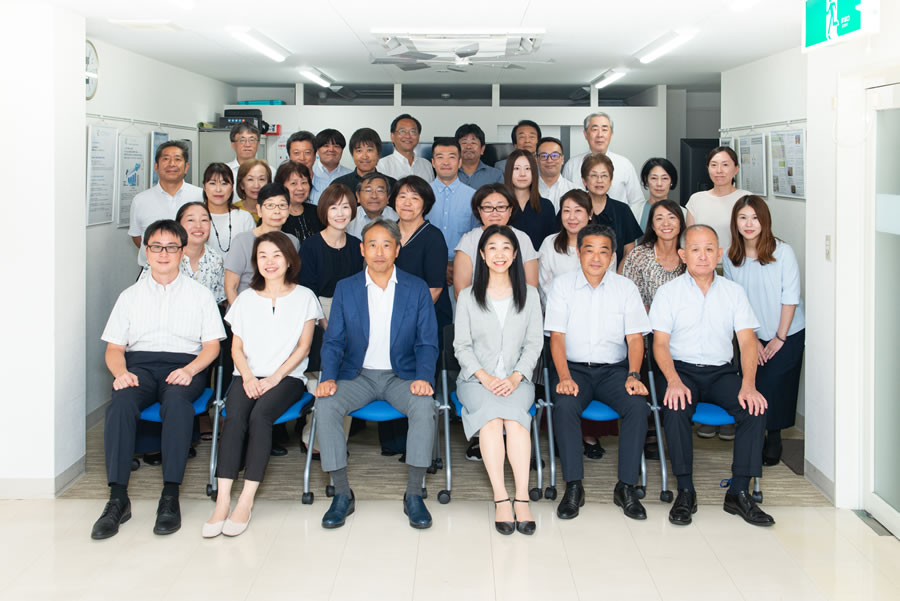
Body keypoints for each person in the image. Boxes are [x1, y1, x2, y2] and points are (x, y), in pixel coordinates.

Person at [91, 219, 225, 540]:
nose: (163, 254)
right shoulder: (129, 296)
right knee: (120, 405)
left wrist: (191, 370)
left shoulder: (200, 295)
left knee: (177, 404)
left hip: (185, 366)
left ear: (182, 252)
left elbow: (211, 347)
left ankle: (170, 496)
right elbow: (114, 349)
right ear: (146, 252)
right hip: (139, 366)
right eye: (156, 247)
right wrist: (121, 373)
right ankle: (118, 499)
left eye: (171, 247)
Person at [315, 219, 439, 530]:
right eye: (372, 244)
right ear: (362, 249)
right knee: (326, 405)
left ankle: (414, 494)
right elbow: (333, 340)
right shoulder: (347, 288)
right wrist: (328, 378)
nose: (379, 252)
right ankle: (342, 494)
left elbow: (427, 342)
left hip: (402, 376)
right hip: (358, 376)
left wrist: (423, 377)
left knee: (424, 406)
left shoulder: (416, 288)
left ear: (397, 249)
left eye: (386, 245)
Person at [650, 224, 773, 527]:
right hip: (681, 370)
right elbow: (660, 344)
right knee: (675, 406)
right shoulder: (668, 293)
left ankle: (739, 492)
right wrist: (673, 380)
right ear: (683, 255)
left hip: (721, 373)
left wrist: (748, 385)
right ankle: (685, 490)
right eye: (695, 249)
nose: (702, 256)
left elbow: (747, 341)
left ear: (719, 254)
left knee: (754, 409)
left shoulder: (734, 292)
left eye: (708, 249)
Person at [204, 232, 322, 538]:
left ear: (289, 261)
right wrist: (247, 377)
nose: (269, 262)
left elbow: (304, 347)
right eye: (262, 256)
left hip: (287, 378)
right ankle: (222, 501)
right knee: (234, 418)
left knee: (260, 417)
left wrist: (274, 378)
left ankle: (245, 501)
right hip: (245, 375)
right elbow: (236, 348)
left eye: (276, 256)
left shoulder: (305, 297)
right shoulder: (245, 299)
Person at [545, 223, 652, 521]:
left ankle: (626, 487)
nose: (595, 257)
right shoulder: (562, 286)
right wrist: (564, 377)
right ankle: (573, 486)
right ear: (579, 253)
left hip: (615, 371)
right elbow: (557, 338)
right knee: (565, 405)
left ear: (612, 255)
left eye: (603, 251)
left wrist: (633, 375)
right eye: (589, 250)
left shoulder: (625, 288)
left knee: (637, 406)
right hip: (573, 369)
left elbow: (635, 339)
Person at [454, 225, 543, 535]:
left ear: (515, 254)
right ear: (482, 254)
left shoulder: (530, 295)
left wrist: (516, 377)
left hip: (519, 379)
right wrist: (485, 377)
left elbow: (534, 344)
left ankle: (522, 497)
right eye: (492, 248)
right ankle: (501, 498)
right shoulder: (468, 297)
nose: (499, 254)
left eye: (506, 247)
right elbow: (461, 346)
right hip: (475, 380)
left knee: (515, 422)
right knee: (492, 421)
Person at [724, 196, 805, 466]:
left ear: (765, 221)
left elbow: (790, 297)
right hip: (751, 335)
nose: (749, 224)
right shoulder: (731, 256)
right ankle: (756, 436)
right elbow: (735, 302)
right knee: (754, 384)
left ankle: (775, 436)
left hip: (787, 332)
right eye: (743, 218)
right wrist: (753, 340)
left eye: (755, 218)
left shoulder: (783, 252)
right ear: (735, 222)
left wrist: (779, 337)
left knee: (777, 386)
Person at [453, 183, 539, 299]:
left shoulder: (523, 239)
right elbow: (461, 292)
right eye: (488, 207)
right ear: (479, 210)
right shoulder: (468, 241)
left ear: (510, 210)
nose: (494, 213)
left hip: (517, 306)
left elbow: (532, 287)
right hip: (477, 307)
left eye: (501, 207)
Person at [128, 140, 202, 267]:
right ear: (156, 166)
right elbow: (137, 237)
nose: (172, 164)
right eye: (166, 159)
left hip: (193, 270)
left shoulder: (201, 196)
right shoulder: (140, 200)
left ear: (186, 167)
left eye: (177, 159)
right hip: (152, 271)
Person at [394, 176, 452, 336]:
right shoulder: (387, 232)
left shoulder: (433, 237)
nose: (407, 203)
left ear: (425, 204)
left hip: (425, 319)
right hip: (391, 316)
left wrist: (405, 319)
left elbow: (434, 289)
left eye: (415, 198)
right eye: (402, 196)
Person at [298, 183, 365, 320]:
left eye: (345, 207)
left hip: (352, 309)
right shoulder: (310, 246)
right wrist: (323, 321)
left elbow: (359, 285)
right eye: (333, 208)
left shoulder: (356, 245)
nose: (340, 214)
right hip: (318, 311)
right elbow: (307, 289)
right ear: (324, 210)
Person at [225, 183, 298, 306]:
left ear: (289, 209)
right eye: (270, 205)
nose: (277, 211)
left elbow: (291, 280)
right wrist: (239, 315)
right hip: (246, 308)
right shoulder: (242, 241)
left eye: (282, 205)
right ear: (259, 210)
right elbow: (230, 286)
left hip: (280, 308)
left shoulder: (292, 241)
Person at [141, 202, 225, 303]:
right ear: (178, 225)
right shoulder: (164, 257)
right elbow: (144, 296)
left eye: (204, 220)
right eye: (191, 220)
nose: (198, 225)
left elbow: (216, 301)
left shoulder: (216, 259)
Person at [562, 112, 645, 207]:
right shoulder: (572, 165)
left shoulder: (625, 164)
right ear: (585, 134)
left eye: (604, 129)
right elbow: (565, 201)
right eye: (595, 129)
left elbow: (637, 203)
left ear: (611, 134)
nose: (600, 135)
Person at [426, 137, 479, 285]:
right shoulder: (421, 195)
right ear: (433, 162)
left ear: (460, 162)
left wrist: (458, 264)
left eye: (451, 157)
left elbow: (477, 236)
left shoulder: (474, 197)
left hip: (464, 268)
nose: (446, 162)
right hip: (426, 267)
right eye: (440, 157)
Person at [582, 153, 642, 272]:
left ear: (611, 180)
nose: (599, 180)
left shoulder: (622, 210)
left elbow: (629, 251)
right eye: (594, 175)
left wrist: (617, 277)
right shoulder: (575, 208)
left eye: (604, 176)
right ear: (584, 181)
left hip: (616, 276)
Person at [622, 199, 687, 310]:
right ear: (652, 225)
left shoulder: (690, 255)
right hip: (646, 319)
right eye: (659, 218)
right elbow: (633, 299)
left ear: (680, 223)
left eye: (672, 217)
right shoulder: (639, 255)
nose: (666, 223)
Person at [685, 146, 751, 252]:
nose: (719, 170)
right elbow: (690, 240)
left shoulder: (747, 199)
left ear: (736, 169)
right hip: (704, 260)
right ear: (708, 168)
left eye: (725, 165)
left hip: (737, 260)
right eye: (714, 165)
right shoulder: (696, 200)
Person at [538, 190, 593, 306]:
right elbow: (544, 285)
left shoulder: (601, 245)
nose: (572, 217)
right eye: (567, 211)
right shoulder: (549, 243)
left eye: (578, 211)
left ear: (590, 214)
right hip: (556, 309)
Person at [506, 149, 557, 251]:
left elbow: (551, 244)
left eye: (527, 168)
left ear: (534, 172)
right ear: (509, 172)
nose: (522, 174)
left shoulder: (546, 206)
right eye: (516, 168)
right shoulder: (500, 207)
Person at [202, 162, 256, 256]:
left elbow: (252, 252)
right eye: (212, 183)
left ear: (232, 188)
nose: (218, 189)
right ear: (204, 187)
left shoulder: (244, 218)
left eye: (224, 183)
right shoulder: (195, 217)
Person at [333, 127, 397, 193]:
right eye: (359, 151)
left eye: (369, 150)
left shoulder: (392, 185)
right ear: (353, 155)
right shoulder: (339, 185)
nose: (364, 156)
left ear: (378, 154)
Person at [274, 161, 323, 244]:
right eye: (293, 183)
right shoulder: (274, 215)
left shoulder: (318, 212)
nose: (300, 188)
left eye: (304, 182)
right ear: (281, 186)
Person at [376, 114, 434, 181]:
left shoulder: (427, 165)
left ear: (418, 136)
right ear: (392, 136)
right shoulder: (381, 165)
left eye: (413, 131)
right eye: (402, 131)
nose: (408, 136)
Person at [636, 157, 685, 231]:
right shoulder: (634, 211)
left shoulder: (683, 213)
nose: (659, 184)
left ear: (671, 181)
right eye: (654, 178)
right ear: (646, 180)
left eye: (665, 178)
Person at [346, 172, 398, 239]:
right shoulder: (348, 219)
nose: (374, 196)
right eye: (368, 190)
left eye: (380, 191)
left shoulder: (398, 219)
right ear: (358, 196)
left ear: (388, 197)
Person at [455, 123, 504, 188]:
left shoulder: (496, 175)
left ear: (482, 149)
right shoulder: (447, 173)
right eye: (464, 142)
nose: (468, 146)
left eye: (473, 143)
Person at [536, 137, 578, 212]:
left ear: (562, 159)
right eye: (544, 156)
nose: (549, 160)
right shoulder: (527, 191)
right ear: (537, 160)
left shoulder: (576, 191)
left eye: (555, 155)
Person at [311, 128, 352, 204]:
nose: (331, 149)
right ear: (317, 150)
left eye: (336, 146)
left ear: (342, 150)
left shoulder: (350, 175)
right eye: (326, 146)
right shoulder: (309, 173)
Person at [227, 122, 261, 203]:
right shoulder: (225, 171)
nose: (247, 144)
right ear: (233, 145)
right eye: (242, 140)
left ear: (258, 144)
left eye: (252, 140)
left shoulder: (270, 171)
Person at [286, 130, 323, 200]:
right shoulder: (281, 187)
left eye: (307, 152)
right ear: (289, 156)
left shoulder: (327, 187)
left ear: (315, 155)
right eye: (296, 153)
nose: (302, 158)